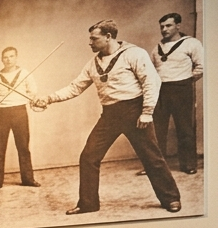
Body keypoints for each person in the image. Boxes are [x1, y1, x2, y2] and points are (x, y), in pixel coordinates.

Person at [33, 20, 181, 215]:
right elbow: (75, 87)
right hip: (109, 115)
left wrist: (146, 112)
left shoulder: (134, 54)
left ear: (108, 36)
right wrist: (48, 98)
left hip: (135, 111)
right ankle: (88, 204)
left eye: (94, 38)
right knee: (88, 157)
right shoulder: (92, 64)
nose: (90, 43)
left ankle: (171, 199)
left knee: (152, 158)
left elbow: (151, 81)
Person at [149, 13, 203, 175]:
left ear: (178, 26)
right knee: (156, 129)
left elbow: (201, 66)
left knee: (185, 128)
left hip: (181, 90)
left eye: (168, 26)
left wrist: (184, 81)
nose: (164, 29)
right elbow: (151, 70)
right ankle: (156, 167)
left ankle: (188, 164)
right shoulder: (157, 48)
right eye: (162, 26)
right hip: (160, 91)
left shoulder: (191, 43)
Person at [0, 47, 40, 191]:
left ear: (16, 57)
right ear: (1, 59)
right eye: (5, 57)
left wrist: (25, 98)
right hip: (2, 113)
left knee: (23, 147)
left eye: (11, 56)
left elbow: (33, 92)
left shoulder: (25, 74)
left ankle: (28, 179)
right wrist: (0, 100)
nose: (8, 60)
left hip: (20, 112)